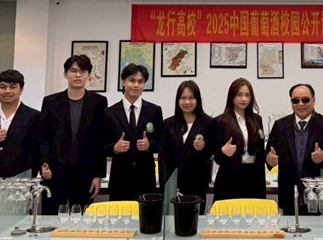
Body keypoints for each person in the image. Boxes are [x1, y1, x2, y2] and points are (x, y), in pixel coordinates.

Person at [36, 54, 107, 214]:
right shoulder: (51, 102)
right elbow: (42, 137)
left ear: (89, 75)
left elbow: (100, 140)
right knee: (51, 218)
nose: (77, 75)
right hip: (55, 172)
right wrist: (44, 163)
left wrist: (98, 175)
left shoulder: (98, 102)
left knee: (81, 220)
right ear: (65, 74)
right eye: (73, 71)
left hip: (85, 173)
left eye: (82, 71)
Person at [265, 83, 323, 215]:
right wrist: (269, 159)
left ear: (314, 101)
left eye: (305, 100)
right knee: (290, 227)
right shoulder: (280, 125)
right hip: (289, 194)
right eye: (295, 100)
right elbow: (268, 152)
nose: (300, 104)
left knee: (318, 228)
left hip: (319, 195)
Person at [106, 63, 164, 200]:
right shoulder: (109, 113)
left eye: (140, 81)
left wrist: (149, 145)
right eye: (132, 80)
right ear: (123, 82)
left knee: (146, 214)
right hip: (120, 179)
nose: (136, 85)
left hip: (146, 179)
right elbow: (100, 145)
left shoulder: (154, 111)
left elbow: (162, 143)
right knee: (120, 213)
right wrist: (114, 148)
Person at [161, 80, 213, 213]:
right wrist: (167, 186)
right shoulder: (168, 124)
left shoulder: (208, 123)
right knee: (172, 221)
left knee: (195, 221)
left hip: (198, 185)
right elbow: (164, 158)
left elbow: (212, 152)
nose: (187, 102)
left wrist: (203, 148)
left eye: (191, 98)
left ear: (198, 99)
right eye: (183, 98)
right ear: (177, 100)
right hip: (173, 185)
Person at [211, 78, 266, 203]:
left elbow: (260, 151)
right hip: (229, 182)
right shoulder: (219, 122)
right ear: (232, 96)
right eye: (239, 95)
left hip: (254, 181)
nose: (243, 99)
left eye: (247, 95)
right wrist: (223, 151)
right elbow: (217, 158)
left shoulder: (257, 119)